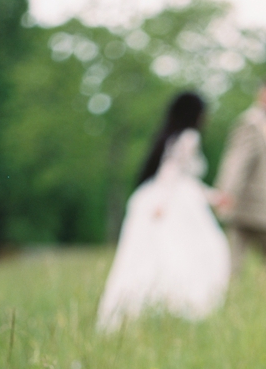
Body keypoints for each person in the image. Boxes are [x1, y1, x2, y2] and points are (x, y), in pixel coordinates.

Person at [96, 92, 231, 332]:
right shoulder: (189, 136)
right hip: (170, 201)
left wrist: (212, 196)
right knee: (200, 250)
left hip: (162, 197)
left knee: (153, 256)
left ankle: (156, 308)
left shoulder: (171, 136)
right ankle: (185, 305)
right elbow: (171, 171)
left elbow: (183, 177)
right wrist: (162, 203)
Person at [214, 77, 266, 275]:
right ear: (263, 94)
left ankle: (252, 302)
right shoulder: (252, 123)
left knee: (246, 264)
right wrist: (226, 194)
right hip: (255, 206)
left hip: (256, 206)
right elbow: (236, 162)